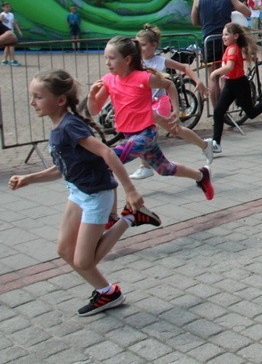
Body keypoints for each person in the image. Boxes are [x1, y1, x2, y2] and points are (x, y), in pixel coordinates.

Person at [9, 70, 162, 316]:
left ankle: (132, 216)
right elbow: (61, 168)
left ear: (59, 100)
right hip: (78, 191)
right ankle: (108, 293)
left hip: (96, 195)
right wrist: (30, 178)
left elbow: (107, 153)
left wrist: (130, 190)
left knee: (83, 261)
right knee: (63, 250)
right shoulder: (59, 127)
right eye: (32, 96)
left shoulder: (70, 126)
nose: (32, 102)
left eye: (38, 97)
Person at [86, 36, 215, 202]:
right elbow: (94, 110)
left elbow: (169, 85)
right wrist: (91, 95)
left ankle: (111, 213)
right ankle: (201, 175)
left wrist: (175, 109)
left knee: (109, 160)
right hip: (128, 134)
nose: (107, 63)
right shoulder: (108, 81)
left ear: (127, 59)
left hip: (146, 134)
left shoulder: (143, 78)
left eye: (111, 58)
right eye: (105, 58)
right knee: (164, 168)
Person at [128, 25, 214, 181]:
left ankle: (205, 145)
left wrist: (198, 81)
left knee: (176, 130)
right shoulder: (136, 61)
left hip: (161, 102)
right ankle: (145, 166)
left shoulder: (160, 61)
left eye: (143, 44)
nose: (140, 48)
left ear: (153, 45)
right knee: (142, 130)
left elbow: (185, 67)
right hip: (146, 103)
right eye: (137, 44)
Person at [210, 22, 262, 154]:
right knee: (218, 111)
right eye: (223, 35)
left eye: (226, 34)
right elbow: (231, 66)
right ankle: (216, 143)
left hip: (240, 84)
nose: (223, 37)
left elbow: (229, 67)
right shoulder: (231, 47)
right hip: (231, 83)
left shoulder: (232, 48)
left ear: (235, 36)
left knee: (251, 113)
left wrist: (215, 72)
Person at [191, 0, 251, 106]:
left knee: (213, 76)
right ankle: (225, 107)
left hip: (209, 40)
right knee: (227, 75)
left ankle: (217, 110)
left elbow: (194, 21)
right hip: (228, 40)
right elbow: (247, 12)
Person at [1, 1, 23, 66]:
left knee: (8, 46)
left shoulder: (11, 14)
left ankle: (5, 60)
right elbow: (1, 22)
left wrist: (19, 31)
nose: (8, 8)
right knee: (11, 45)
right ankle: (12, 60)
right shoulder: (2, 14)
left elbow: (14, 23)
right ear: (3, 8)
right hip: (5, 33)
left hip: (11, 32)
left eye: (9, 7)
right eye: (6, 7)